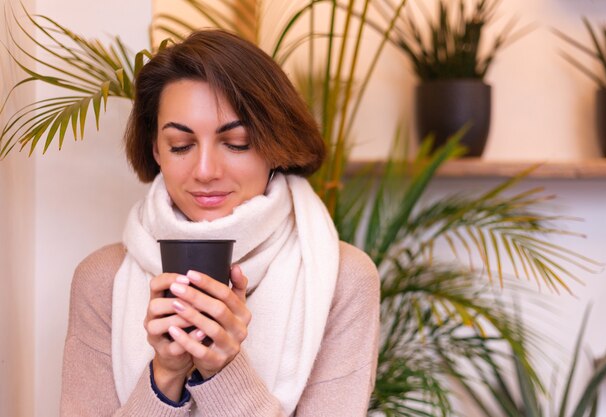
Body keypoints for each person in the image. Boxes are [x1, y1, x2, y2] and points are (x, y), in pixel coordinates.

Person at [60, 29, 380, 416]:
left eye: (237, 142)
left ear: (275, 146)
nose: (206, 170)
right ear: (156, 150)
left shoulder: (341, 279)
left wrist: (223, 370)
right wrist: (165, 376)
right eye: (181, 145)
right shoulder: (103, 280)